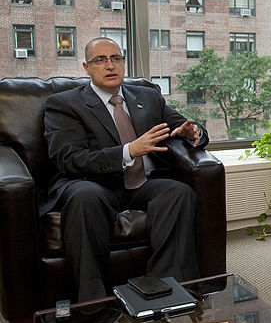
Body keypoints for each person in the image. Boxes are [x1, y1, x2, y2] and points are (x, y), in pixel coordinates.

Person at [42, 37, 209, 302]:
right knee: (85, 197)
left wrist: (193, 131)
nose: (110, 65)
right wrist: (129, 150)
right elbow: (69, 159)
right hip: (92, 182)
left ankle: (166, 293)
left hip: (140, 182)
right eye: (101, 60)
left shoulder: (147, 96)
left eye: (116, 59)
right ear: (87, 67)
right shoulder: (64, 104)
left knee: (178, 193)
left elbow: (183, 124)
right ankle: (93, 304)